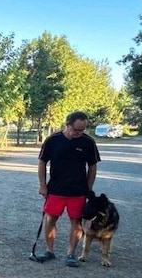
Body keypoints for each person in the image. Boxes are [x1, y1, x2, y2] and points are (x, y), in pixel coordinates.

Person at [37, 111, 100, 267]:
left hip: (78, 191)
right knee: (50, 219)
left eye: (82, 130)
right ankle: (49, 251)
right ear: (67, 124)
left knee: (76, 222)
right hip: (56, 189)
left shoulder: (88, 142)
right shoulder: (52, 140)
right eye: (76, 129)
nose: (79, 133)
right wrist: (43, 185)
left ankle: (71, 254)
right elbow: (42, 163)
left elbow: (92, 166)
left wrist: (88, 188)